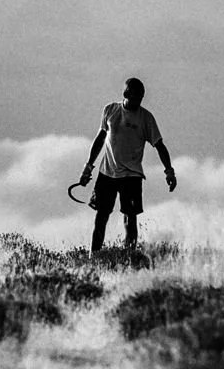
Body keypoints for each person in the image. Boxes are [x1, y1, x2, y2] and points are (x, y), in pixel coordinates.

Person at [75, 77, 176, 251]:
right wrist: (87, 168)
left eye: (141, 97)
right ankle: (95, 257)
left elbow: (160, 145)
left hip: (132, 176)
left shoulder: (146, 118)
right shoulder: (110, 110)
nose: (139, 101)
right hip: (107, 173)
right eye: (136, 96)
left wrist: (169, 171)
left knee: (130, 219)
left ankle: (129, 257)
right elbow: (100, 139)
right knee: (101, 217)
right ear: (126, 94)